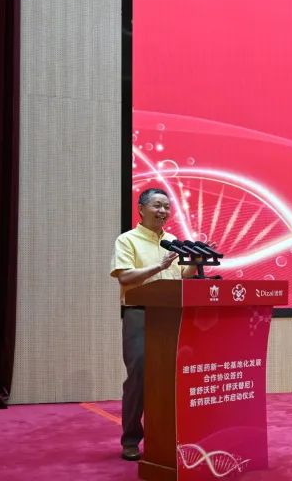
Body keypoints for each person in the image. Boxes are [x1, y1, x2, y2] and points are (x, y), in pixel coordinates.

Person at [109, 187, 182, 461]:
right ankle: (130, 440)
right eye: (157, 205)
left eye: (166, 207)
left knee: (170, 378)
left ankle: (166, 438)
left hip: (171, 315)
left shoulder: (173, 241)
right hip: (139, 314)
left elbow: (182, 276)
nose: (163, 211)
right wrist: (159, 267)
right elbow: (125, 277)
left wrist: (197, 260)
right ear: (141, 209)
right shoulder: (127, 240)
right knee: (139, 376)